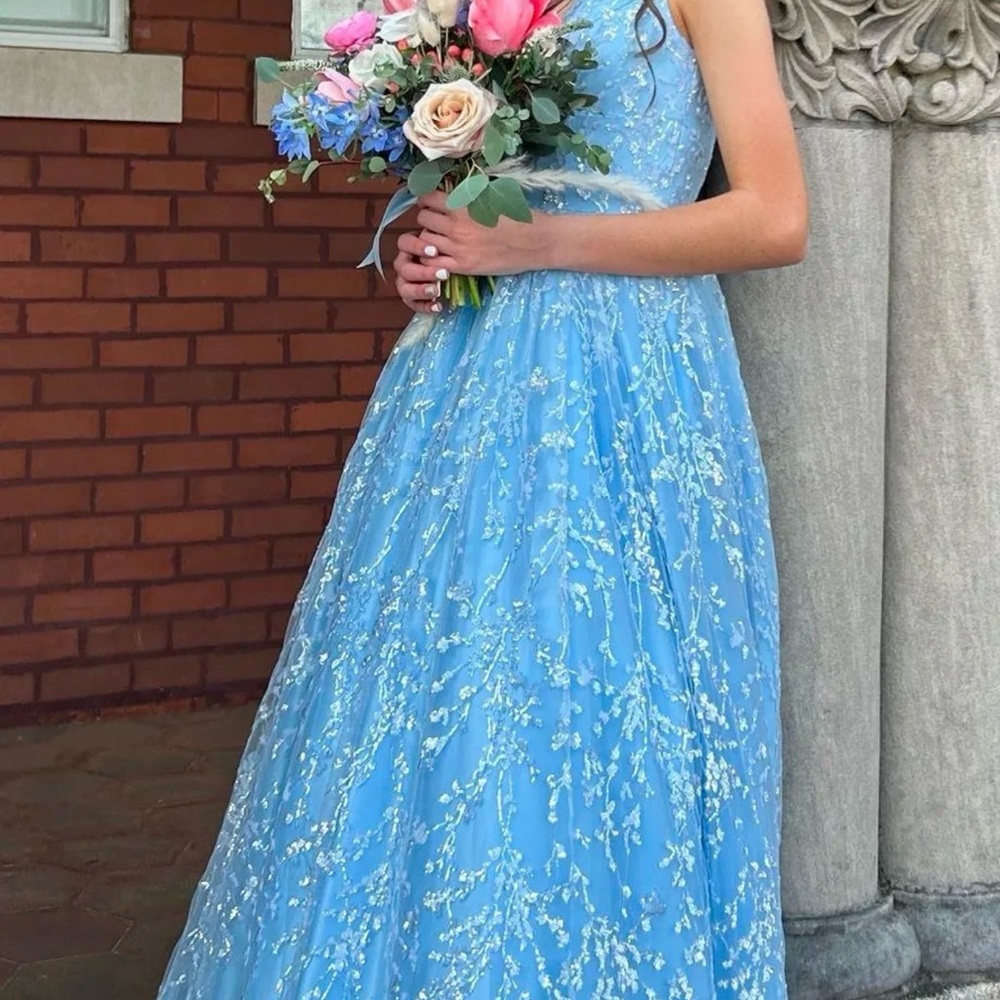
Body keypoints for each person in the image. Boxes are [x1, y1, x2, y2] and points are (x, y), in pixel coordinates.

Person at [158, 0, 807, 996]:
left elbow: (773, 216)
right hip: (468, 374)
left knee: (590, 675)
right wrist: (430, 250)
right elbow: (481, 192)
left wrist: (533, 243)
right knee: (439, 669)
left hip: (631, 386)